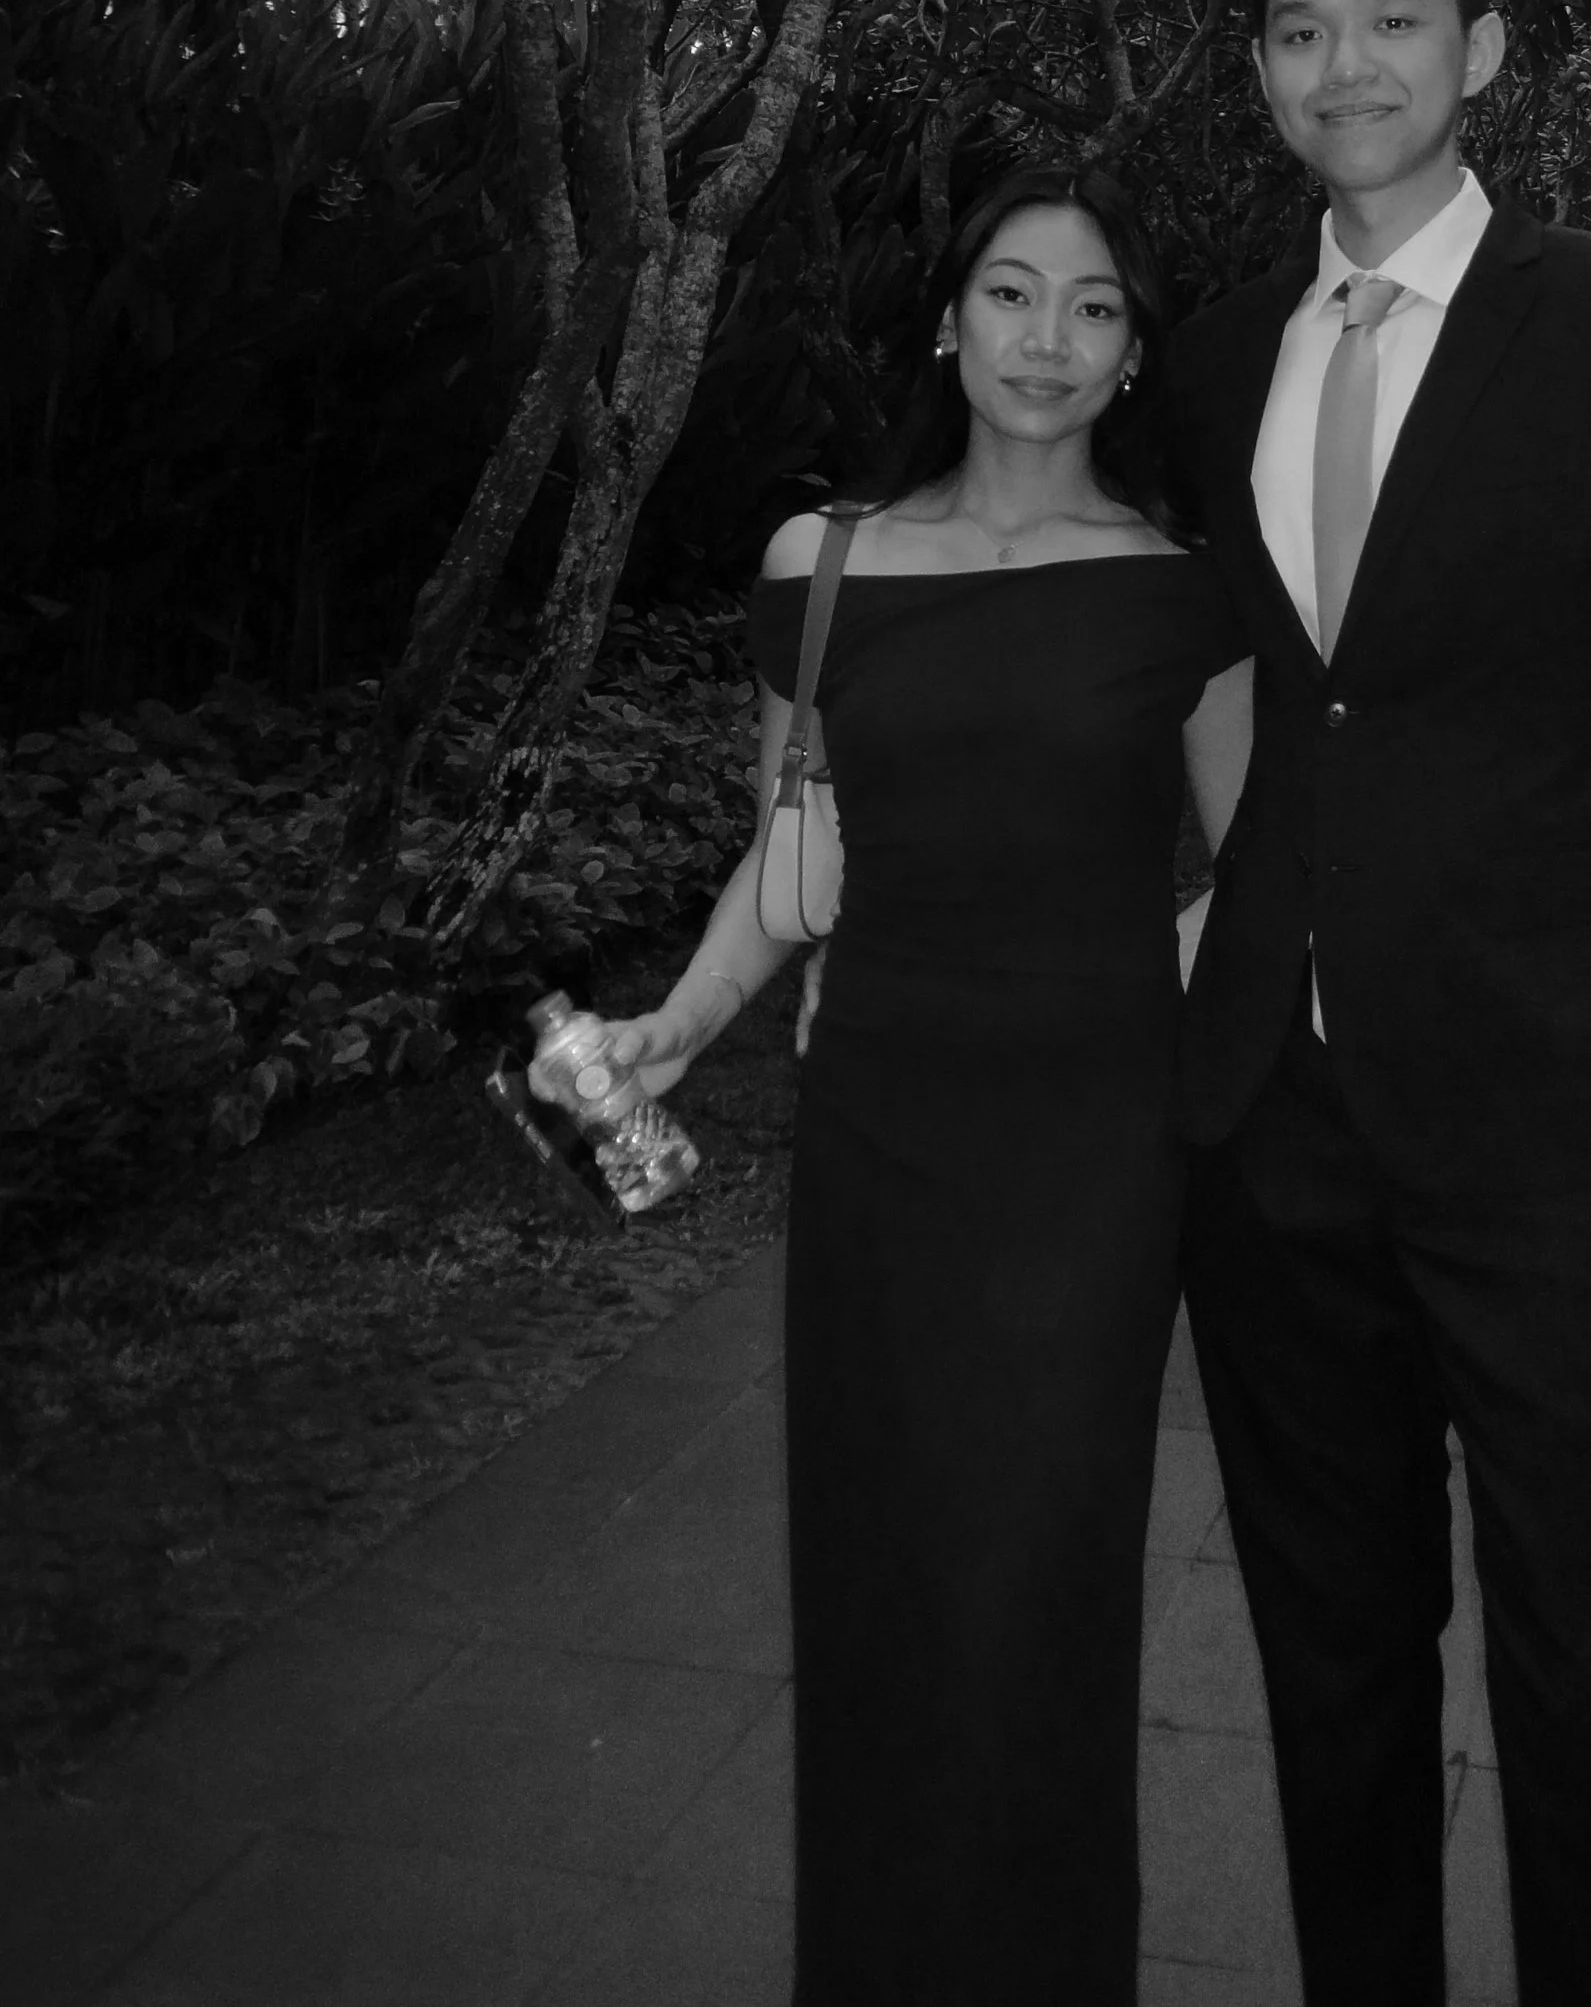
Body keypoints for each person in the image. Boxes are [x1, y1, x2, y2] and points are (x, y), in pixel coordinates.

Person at [1163, 0, 1591, 2007]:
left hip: (1555, 1148)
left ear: (1479, 49)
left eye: (1393, 19)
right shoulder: (1228, 338)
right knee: (1330, 1675)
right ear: (1260, 73)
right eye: (1299, 28)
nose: (1347, 63)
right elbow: (1232, 678)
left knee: (1589, 1691)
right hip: (1275, 1137)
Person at [584, 164, 1252, 2006]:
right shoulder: (828, 566)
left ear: (1133, 353)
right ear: (948, 322)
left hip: (1092, 1148)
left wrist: (1159, 994)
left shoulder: (1183, 592)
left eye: (1096, 305)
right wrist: (682, 1026)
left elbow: (1267, 870)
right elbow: (800, 860)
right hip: (885, 1125)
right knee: (880, 1573)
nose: (1049, 338)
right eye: (1015, 295)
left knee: (1039, 1574)